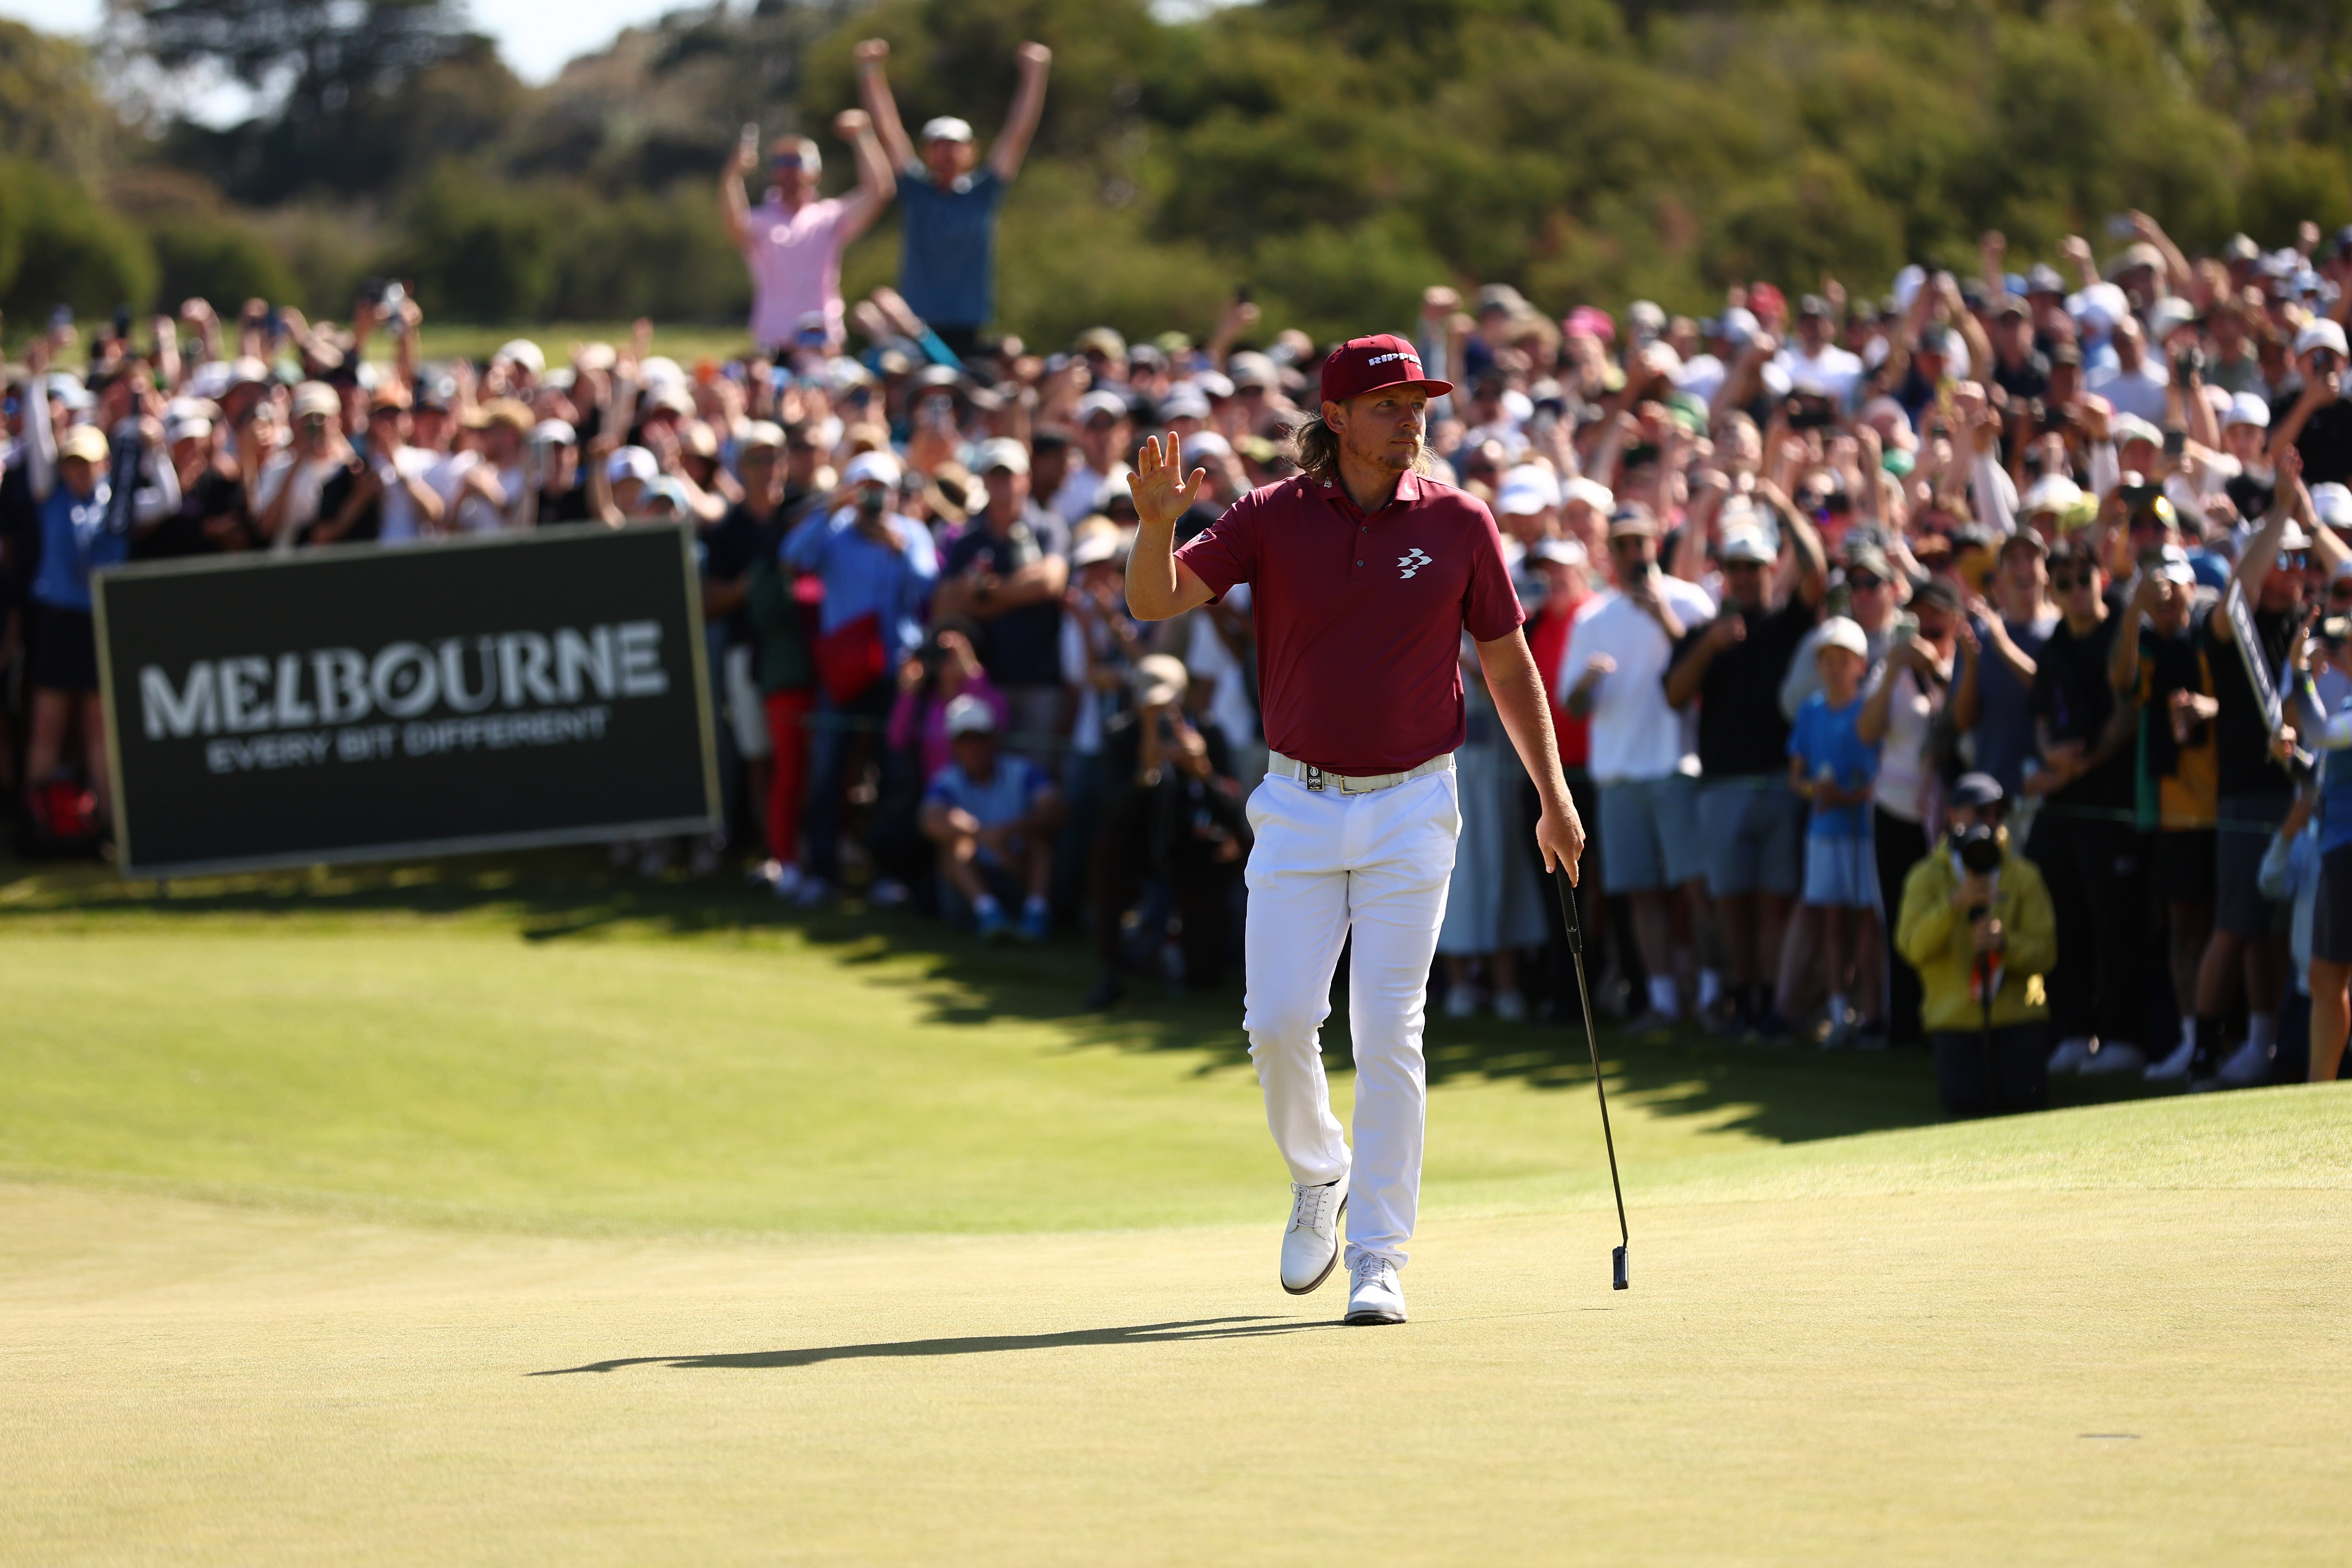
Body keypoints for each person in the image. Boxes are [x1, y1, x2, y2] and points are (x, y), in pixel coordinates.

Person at [1125, 333, 1584, 1328]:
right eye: (1387, 405)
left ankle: (1380, 1255)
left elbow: (1508, 668)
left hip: (1415, 805)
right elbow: (1153, 598)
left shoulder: (1461, 521)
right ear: (1333, 420)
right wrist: (1156, 527)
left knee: (1391, 1033)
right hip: (1296, 804)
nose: (1410, 420)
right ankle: (1318, 1175)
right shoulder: (1269, 517)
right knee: (1279, 1024)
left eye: (1418, 403)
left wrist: (1552, 795)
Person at [1665, 503, 1829, 1037]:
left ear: (1767, 569)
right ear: (1724, 573)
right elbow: (1674, 694)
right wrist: (1710, 647)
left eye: (1754, 567)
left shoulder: (1786, 624)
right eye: (1735, 568)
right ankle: (1742, 995)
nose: (1744, 577)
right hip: (1722, 787)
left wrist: (1782, 506)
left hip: (1781, 781)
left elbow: (1817, 570)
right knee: (1732, 902)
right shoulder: (1706, 631)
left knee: (1775, 901)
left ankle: (1773, 1002)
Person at [1560, 507, 1716, 1028]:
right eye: (1622, 544)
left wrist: (1663, 619)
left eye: (1640, 543)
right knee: (1643, 894)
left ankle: (1717, 992)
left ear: (1656, 543)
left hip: (1676, 767)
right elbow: (1572, 704)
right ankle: (1666, 1001)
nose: (1632, 554)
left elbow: (1709, 674)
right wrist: (1585, 681)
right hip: (1619, 776)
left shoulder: (1689, 601)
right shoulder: (1593, 618)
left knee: (1697, 889)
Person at [783, 449, 941, 902]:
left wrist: (900, 547)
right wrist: (830, 509)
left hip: (895, 673)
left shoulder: (909, 533)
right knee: (828, 772)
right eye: (864, 488)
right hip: (843, 674)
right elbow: (793, 558)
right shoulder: (833, 534)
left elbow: (928, 585)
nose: (874, 498)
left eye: (881, 489)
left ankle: (886, 875)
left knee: (893, 775)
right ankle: (823, 873)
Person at [2023, 535, 2149, 1074]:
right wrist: (2054, 755)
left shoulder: (2122, 630)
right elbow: (2042, 720)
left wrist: (2086, 761)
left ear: (2101, 576)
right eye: (2064, 581)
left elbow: (2131, 709)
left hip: (2111, 803)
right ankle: (2072, 1030)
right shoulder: (2053, 646)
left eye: (2083, 577)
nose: (2075, 590)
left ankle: (2126, 1035)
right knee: (2063, 919)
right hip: (2064, 803)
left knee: (2118, 922)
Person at [855, 38, 1051, 358]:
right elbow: (889, 131)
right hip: (914, 322)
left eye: (955, 145)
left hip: (968, 325)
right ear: (926, 152)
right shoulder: (915, 191)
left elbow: (1018, 133)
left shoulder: (983, 193)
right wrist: (869, 71)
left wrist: (1036, 74)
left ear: (971, 151)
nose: (947, 152)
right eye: (938, 144)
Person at [2108, 543, 2219, 1083]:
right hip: (2174, 814)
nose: (2168, 598)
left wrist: (2207, 708)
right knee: (2184, 930)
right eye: (2158, 591)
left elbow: (2249, 706)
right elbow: (2122, 682)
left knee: (2233, 931)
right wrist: (2133, 611)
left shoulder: (2211, 638)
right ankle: (2194, 1039)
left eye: (2175, 586)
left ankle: (2229, 1040)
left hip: (2225, 808)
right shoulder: (2148, 643)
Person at [1895, 773, 2059, 1116]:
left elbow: (2046, 953)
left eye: (1998, 812)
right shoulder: (1927, 876)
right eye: (1980, 811)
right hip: (1955, 1021)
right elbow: (1911, 947)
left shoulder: (2024, 875)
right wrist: (1952, 906)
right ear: (1953, 815)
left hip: (2018, 1018)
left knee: (2025, 1104)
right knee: (1964, 1106)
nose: (1991, 820)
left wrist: (2006, 943)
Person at [932, 436, 1071, 758]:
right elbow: (944, 603)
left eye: (1010, 474)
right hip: (987, 682)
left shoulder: (1048, 527)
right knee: (988, 771)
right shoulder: (967, 540)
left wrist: (981, 593)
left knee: (1038, 772)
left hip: (1041, 679)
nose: (1003, 483)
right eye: (996, 475)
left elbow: (1050, 584)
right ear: (983, 480)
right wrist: (1021, 592)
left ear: (1026, 479)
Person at [723, 111, 895, 355]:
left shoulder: (828, 216)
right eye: (780, 163)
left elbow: (880, 190)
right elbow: (734, 226)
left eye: (796, 162)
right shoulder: (761, 221)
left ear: (816, 171)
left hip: (822, 340)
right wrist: (732, 178)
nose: (788, 170)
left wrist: (862, 137)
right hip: (774, 343)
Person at [1783, 618, 1881, 1046]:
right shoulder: (1811, 710)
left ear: (1860, 664)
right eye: (1827, 660)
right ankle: (1841, 1012)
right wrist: (1814, 791)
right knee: (1832, 920)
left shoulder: (1869, 710)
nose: (1835, 668)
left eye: (1843, 660)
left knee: (1866, 921)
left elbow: (1879, 780)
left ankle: (1873, 1012)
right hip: (1823, 831)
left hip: (1862, 833)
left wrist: (1847, 796)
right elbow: (1797, 776)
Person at [919, 692, 1062, 940]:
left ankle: (1036, 915)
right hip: (970, 887)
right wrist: (984, 836)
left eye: (980, 738)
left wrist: (1011, 833)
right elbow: (930, 820)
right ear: (954, 744)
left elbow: (1056, 809)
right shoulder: (946, 781)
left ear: (994, 738)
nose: (974, 747)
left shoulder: (1023, 772)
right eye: (965, 740)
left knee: (1039, 841)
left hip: (1017, 871)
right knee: (955, 846)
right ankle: (989, 915)